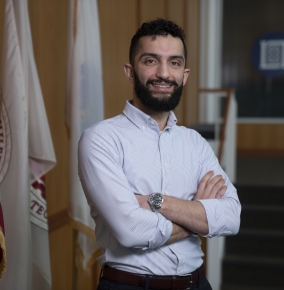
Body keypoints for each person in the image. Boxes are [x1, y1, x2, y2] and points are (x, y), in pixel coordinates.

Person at [78, 18, 241, 290]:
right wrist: (198, 216)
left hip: (198, 285)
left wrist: (156, 201)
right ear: (130, 71)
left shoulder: (196, 143)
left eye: (174, 63)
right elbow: (131, 231)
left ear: (184, 75)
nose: (164, 74)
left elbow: (231, 216)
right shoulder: (100, 139)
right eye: (151, 61)